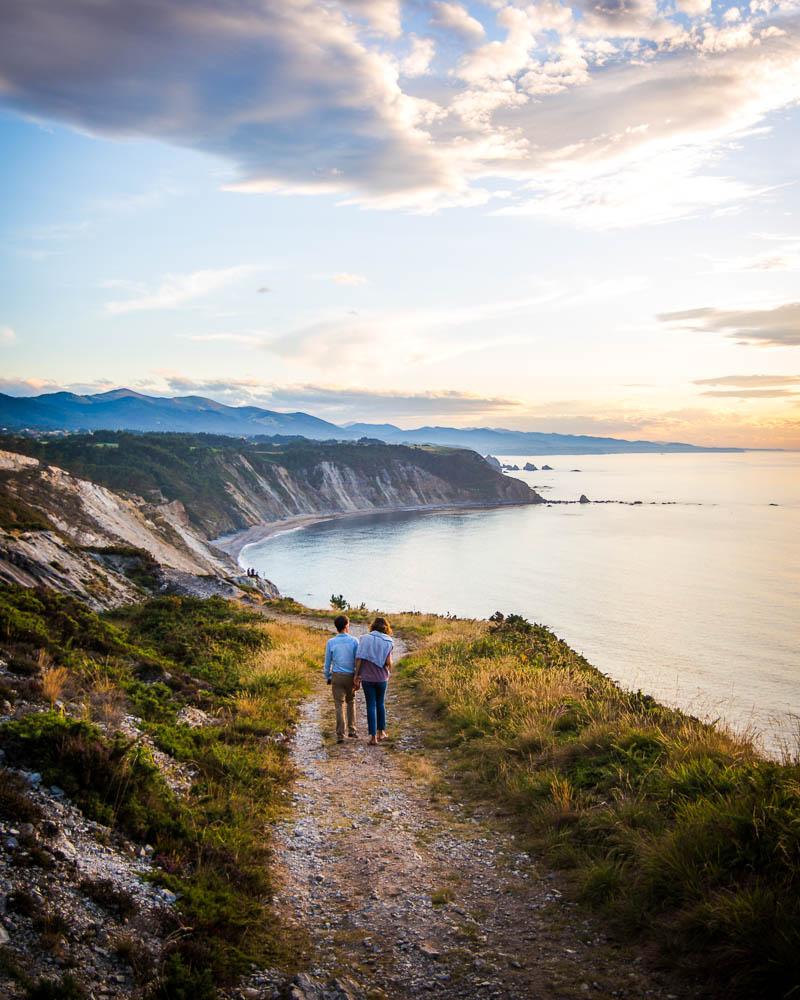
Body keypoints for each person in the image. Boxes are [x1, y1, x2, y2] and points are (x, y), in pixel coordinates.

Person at [353, 617, 394, 746]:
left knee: (370, 705)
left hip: (367, 678)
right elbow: (388, 662)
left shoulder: (364, 639)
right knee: (380, 703)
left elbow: (359, 659)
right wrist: (390, 667)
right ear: (385, 628)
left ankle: (373, 737)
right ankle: (382, 732)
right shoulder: (388, 641)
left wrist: (357, 675)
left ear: (372, 626)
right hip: (381, 678)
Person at [323, 614, 360, 743]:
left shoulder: (331, 642)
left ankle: (340, 735)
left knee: (339, 705)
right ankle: (352, 730)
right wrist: (357, 676)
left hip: (337, 676)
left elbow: (327, 662)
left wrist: (327, 676)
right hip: (350, 676)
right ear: (346, 626)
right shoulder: (354, 641)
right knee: (351, 702)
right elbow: (358, 661)